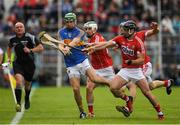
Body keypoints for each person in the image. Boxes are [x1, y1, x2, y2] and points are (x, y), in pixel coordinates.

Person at [83, 20, 165, 120]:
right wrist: (92, 47)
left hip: (136, 71)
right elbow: (106, 44)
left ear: (131, 31)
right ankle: (128, 99)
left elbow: (141, 60)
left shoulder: (138, 41)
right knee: (113, 87)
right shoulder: (120, 38)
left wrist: (132, 62)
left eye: (125, 29)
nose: (122, 31)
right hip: (125, 70)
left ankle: (160, 112)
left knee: (147, 92)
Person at [57, 12, 123, 119]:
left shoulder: (80, 32)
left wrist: (67, 48)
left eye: (71, 21)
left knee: (94, 79)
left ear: (75, 21)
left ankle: (111, 83)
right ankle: (82, 111)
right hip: (70, 64)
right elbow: (60, 44)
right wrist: (62, 49)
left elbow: (75, 41)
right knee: (76, 89)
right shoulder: (61, 32)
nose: (69, 23)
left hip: (82, 61)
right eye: (67, 22)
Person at [7, 22, 44, 112]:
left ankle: (27, 97)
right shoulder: (12, 40)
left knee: (27, 86)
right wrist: (8, 58)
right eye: (17, 27)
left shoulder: (30, 37)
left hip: (30, 64)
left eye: (21, 27)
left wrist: (30, 50)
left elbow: (41, 48)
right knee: (19, 82)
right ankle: (18, 103)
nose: (19, 28)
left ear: (24, 28)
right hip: (18, 64)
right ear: (14, 29)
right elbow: (9, 48)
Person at [83, 21, 115, 118]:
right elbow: (90, 49)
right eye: (86, 29)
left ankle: (126, 98)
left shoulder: (98, 38)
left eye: (89, 29)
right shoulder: (89, 40)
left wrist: (88, 47)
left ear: (95, 30)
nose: (87, 31)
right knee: (89, 88)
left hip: (107, 68)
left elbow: (96, 46)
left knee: (117, 91)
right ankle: (91, 112)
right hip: (96, 69)